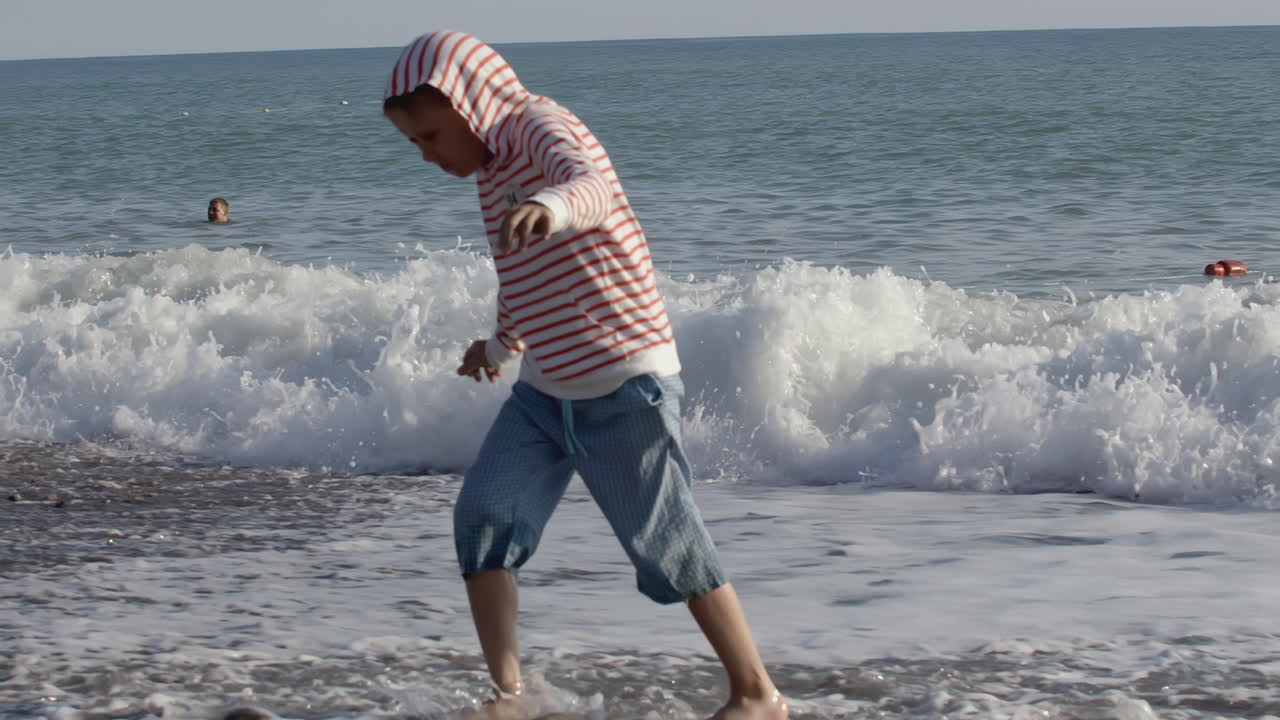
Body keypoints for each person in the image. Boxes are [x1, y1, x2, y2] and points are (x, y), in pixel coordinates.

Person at [382, 31, 787, 720]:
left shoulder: (540, 125)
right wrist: (498, 343)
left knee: (666, 542)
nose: (425, 155)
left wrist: (552, 206)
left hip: (626, 379)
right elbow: (522, 271)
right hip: (545, 390)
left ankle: (756, 693)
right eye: (414, 144)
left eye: (430, 136)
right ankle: (509, 696)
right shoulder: (487, 176)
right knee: (484, 516)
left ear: (471, 107)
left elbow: (591, 187)